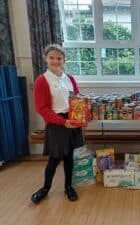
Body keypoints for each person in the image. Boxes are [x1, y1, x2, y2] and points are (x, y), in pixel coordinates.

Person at [31, 44, 84, 204]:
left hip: (72, 120)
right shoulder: (42, 80)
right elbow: (41, 108)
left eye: (59, 58)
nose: (55, 61)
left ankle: (68, 187)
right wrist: (62, 121)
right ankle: (45, 188)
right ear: (45, 59)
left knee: (69, 157)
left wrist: (83, 109)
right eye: (52, 57)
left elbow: (76, 98)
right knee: (54, 158)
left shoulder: (69, 78)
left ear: (64, 60)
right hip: (56, 122)